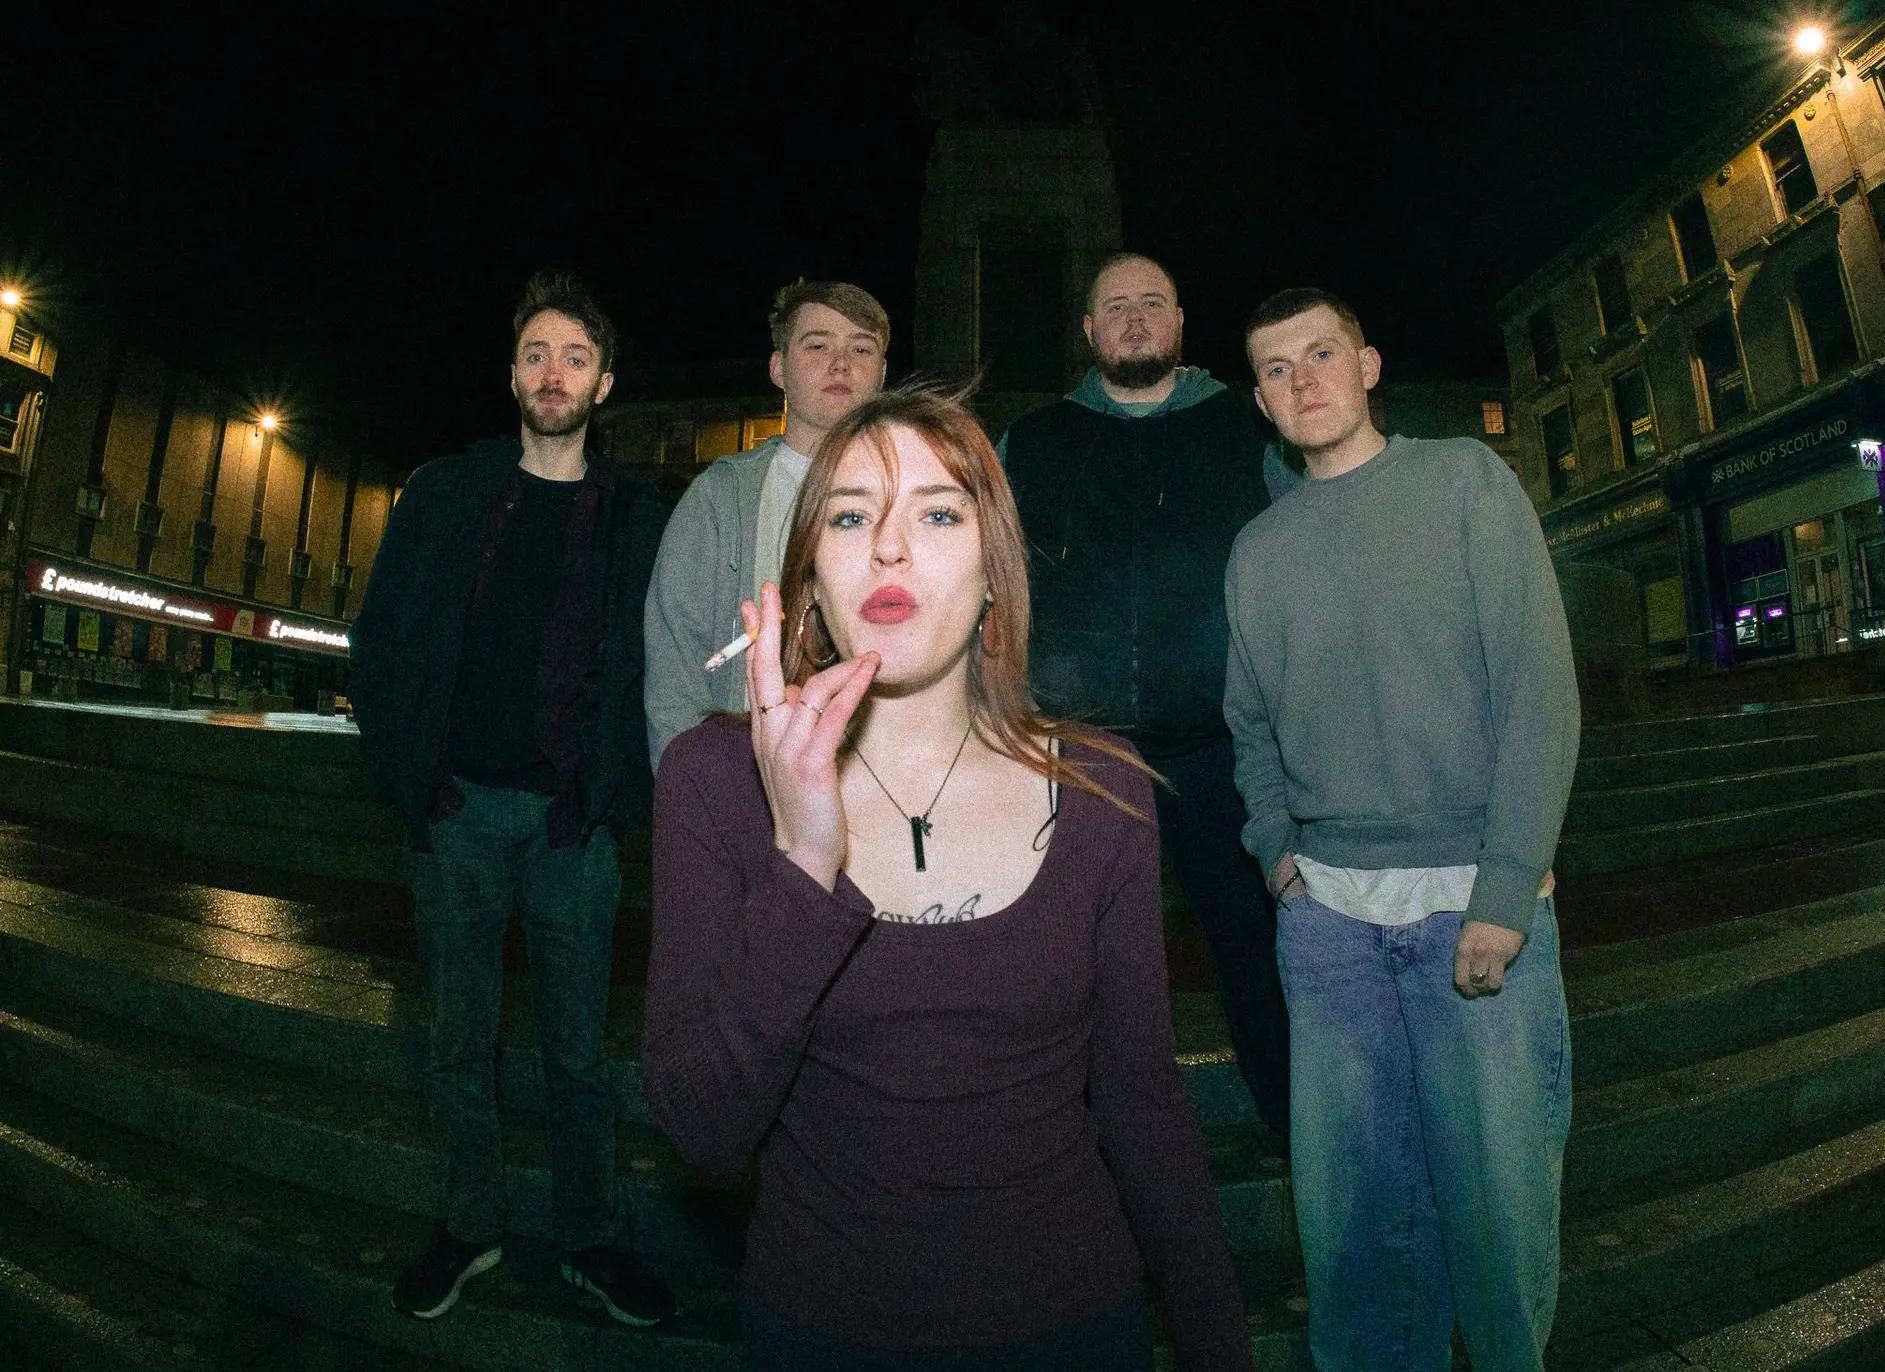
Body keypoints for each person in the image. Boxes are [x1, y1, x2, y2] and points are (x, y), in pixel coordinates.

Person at [644, 387, 1253, 1371]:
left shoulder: (1101, 790)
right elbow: (703, 1128)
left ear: (995, 577)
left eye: (937, 511)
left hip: (1076, 1325)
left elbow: (1141, 1099)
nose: (890, 546)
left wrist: (1218, 1344)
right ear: (806, 586)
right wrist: (804, 857)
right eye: (850, 515)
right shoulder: (714, 779)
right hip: (820, 1330)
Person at [1225, 287, 1578, 1372]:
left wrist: (1506, 886)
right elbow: (1248, 721)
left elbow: (1540, 692)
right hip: (1328, 924)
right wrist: (1277, 854)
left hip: (1471, 906)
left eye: (1322, 353)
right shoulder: (1258, 546)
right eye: (1278, 369)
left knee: (1500, 1209)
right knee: (1353, 1223)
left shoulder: (1465, 482)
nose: (1304, 380)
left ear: (1369, 364)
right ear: (1259, 397)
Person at [351, 269, 675, 1328]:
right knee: (458, 1037)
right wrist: (417, 780)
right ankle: (470, 1224)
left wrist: (610, 794)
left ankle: (589, 1237)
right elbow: (381, 639)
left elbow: (657, 664)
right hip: (456, 818)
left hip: (570, 827)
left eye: (575, 357)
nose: (553, 372)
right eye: (537, 354)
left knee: (579, 1051)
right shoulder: (446, 491)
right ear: (511, 375)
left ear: (605, 383)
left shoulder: (638, 516)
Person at [1000, 251, 1294, 1142]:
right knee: (1071, 971)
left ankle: (1298, 1138)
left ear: (1178, 324)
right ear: (1088, 332)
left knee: (1253, 952)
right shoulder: (1033, 440)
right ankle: (1068, 1157)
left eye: (1151, 303)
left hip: (1221, 749)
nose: (1133, 318)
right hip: (1080, 754)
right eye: (1114, 307)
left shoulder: (1249, 430)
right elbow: (992, 581)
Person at [643, 279, 889, 766]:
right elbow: (676, 666)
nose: (840, 362)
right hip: (751, 779)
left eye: (861, 348)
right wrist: (698, 799)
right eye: (817, 345)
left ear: (882, 373)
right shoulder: (720, 499)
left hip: (881, 781)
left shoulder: (914, 497)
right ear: (778, 368)